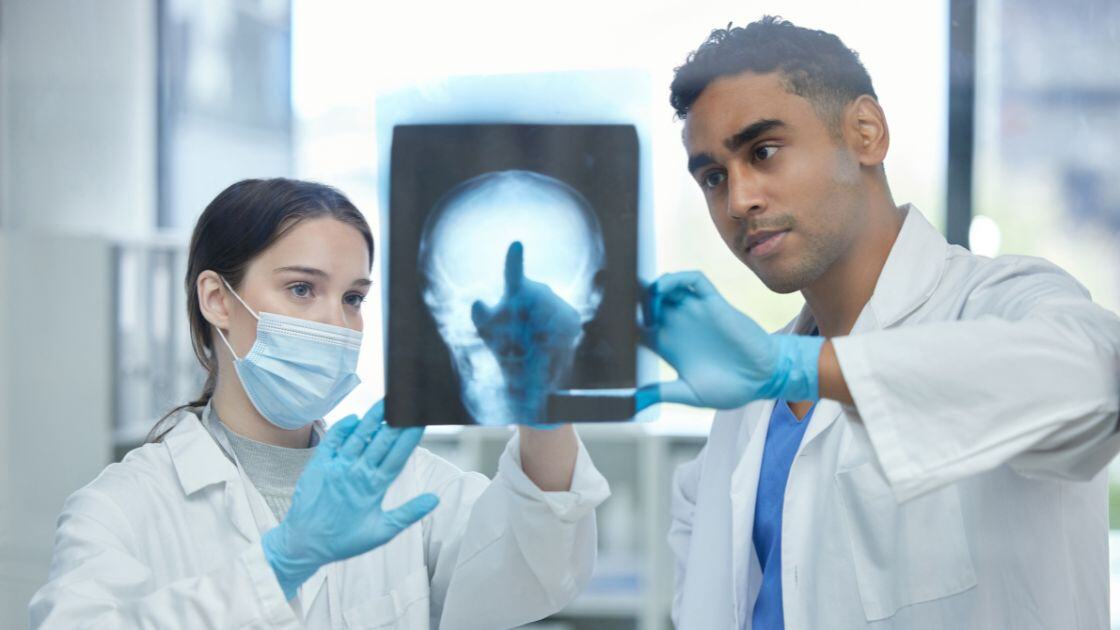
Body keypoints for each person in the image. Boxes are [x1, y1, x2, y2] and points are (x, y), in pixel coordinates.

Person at [637, 16, 1120, 629]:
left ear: (866, 132)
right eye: (713, 177)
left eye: (763, 151)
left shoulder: (997, 299)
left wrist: (797, 369)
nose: (739, 201)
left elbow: (1093, 379)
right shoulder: (747, 408)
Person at [29, 178, 610, 629]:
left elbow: (536, 568)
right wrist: (282, 560)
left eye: (353, 297)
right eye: (302, 289)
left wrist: (543, 401)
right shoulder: (122, 509)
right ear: (217, 300)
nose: (338, 321)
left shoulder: (402, 485)